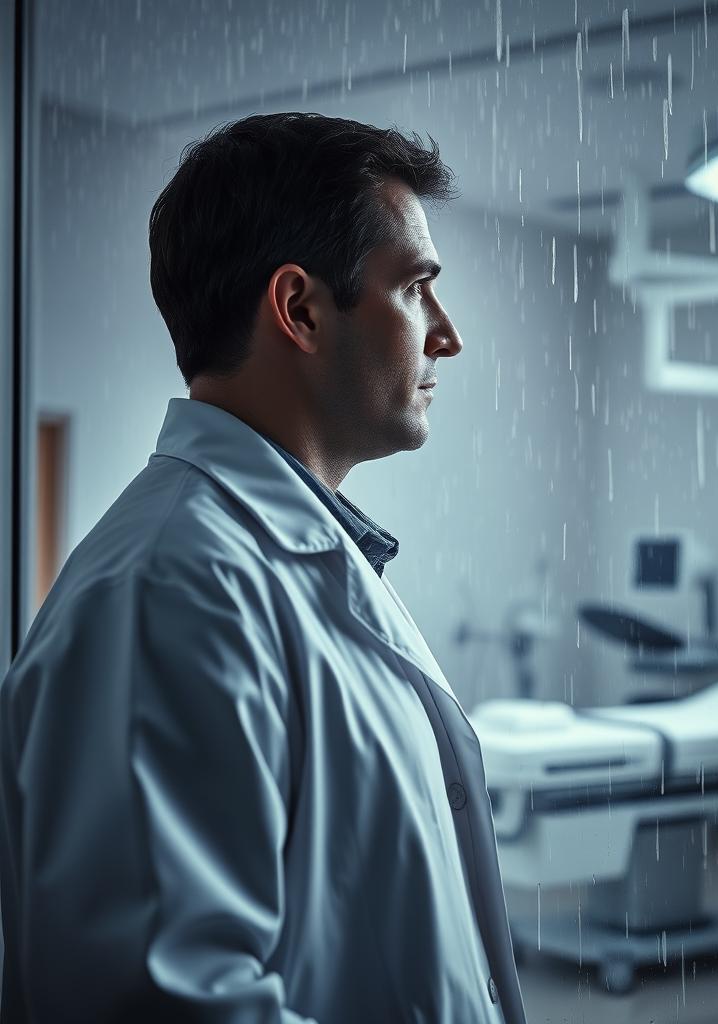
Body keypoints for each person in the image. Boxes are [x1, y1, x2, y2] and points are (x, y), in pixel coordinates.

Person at [0, 112, 527, 1024]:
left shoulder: (279, 561)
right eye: (416, 289)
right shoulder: (173, 589)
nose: (447, 336)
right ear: (300, 310)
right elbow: (160, 1003)